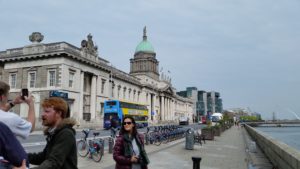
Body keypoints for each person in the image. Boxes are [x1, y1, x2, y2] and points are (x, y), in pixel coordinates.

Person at [27, 97, 78, 169]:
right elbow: (43, 157)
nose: (42, 114)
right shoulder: (54, 132)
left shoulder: (66, 134)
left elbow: (54, 162)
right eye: (43, 111)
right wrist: (22, 156)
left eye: (47, 111)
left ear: (59, 113)